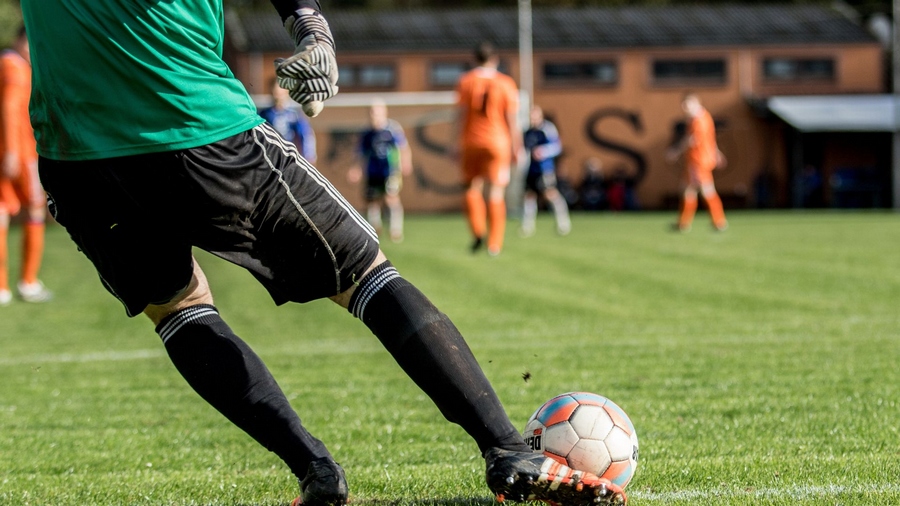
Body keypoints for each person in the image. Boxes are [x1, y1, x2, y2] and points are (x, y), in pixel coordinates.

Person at [22, 2, 626, 506]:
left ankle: (316, 472)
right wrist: (311, 26)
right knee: (365, 272)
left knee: (178, 308)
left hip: (76, 157)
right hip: (193, 122)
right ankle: (508, 451)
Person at [455, 41, 522, 257]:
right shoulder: (506, 83)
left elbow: (460, 116)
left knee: (471, 188)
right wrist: (517, 146)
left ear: (475, 59)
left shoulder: (466, 81)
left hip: (471, 142)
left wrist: (453, 142)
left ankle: (477, 232)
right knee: (495, 191)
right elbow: (512, 119)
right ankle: (494, 244)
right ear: (495, 60)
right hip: (497, 142)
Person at [0, 26, 51, 306]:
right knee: (34, 211)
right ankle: (28, 282)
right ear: (21, 39)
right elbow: (9, 108)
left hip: (9, 151)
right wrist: (11, 151)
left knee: (2, 212)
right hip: (20, 154)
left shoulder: (6, 63)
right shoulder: (14, 67)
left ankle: (3, 288)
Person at [347, 99, 411, 243]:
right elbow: (359, 153)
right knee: (371, 200)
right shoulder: (367, 133)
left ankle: (395, 230)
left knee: (391, 197)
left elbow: (403, 147)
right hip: (373, 171)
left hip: (390, 170)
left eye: (377, 112)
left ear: (384, 112)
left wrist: (405, 162)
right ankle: (374, 228)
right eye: (372, 112)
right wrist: (355, 169)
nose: (374, 115)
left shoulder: (392, 129)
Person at [666, 93, 728, 232]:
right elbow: (710, 139)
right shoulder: (705, 117)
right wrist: (716, 153)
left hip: (698, 161)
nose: (685, 109)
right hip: (700, 160)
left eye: (687, 105)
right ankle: (684, 223)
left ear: (695, 103)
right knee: (689, 191)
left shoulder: (698, 120)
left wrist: (675, 151)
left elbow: (692, 140)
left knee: (705, 191)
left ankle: (719, 222)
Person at [520, 105, 570, 237]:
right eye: (531, 116)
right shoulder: (527, 132)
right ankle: (527, 227)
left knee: (550, 194)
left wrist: (544, 151)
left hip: (545, 169)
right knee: (529, 196)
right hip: (531, 170)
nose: (533, 119)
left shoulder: (547, 129)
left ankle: (563, 223)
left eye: (535, 116)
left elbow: (557, 146)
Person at [259, 78, 318, 164]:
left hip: (288, 158)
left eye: (280, 92)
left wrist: (309, 156)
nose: (278, 95)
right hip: (269, 158)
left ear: (286, 92)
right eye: (275, 92)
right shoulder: (264, 114)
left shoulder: (295, 115)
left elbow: (305, 135)